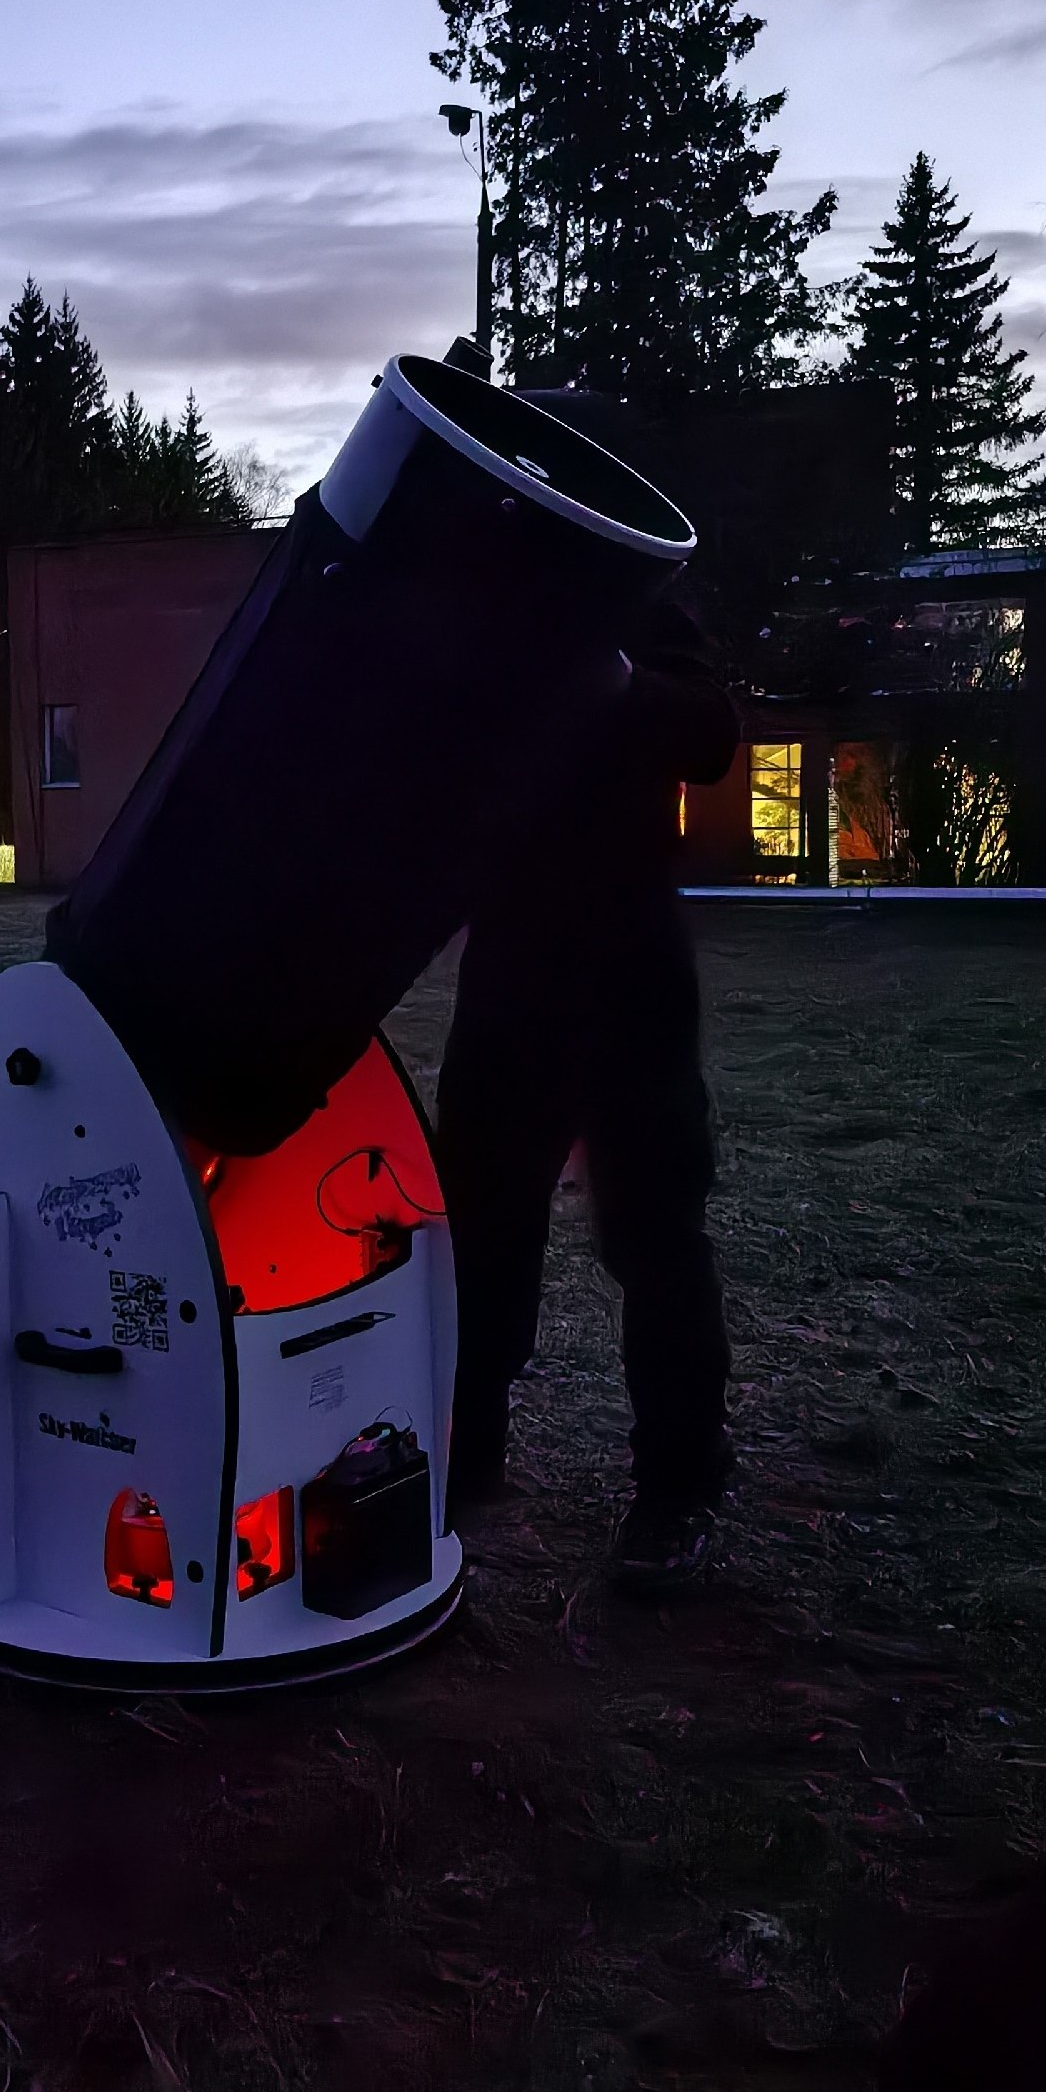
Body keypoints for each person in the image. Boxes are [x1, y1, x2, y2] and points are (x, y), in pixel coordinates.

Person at [435, 589, 739, 1594]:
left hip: (630, 965)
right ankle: (465, 1454)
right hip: (511, 967)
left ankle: (680, 1485)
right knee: (479, 1226)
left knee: (655, 1231)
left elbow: (710, 734)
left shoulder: (628, 595)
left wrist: (610, 679)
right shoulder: (470, 614)